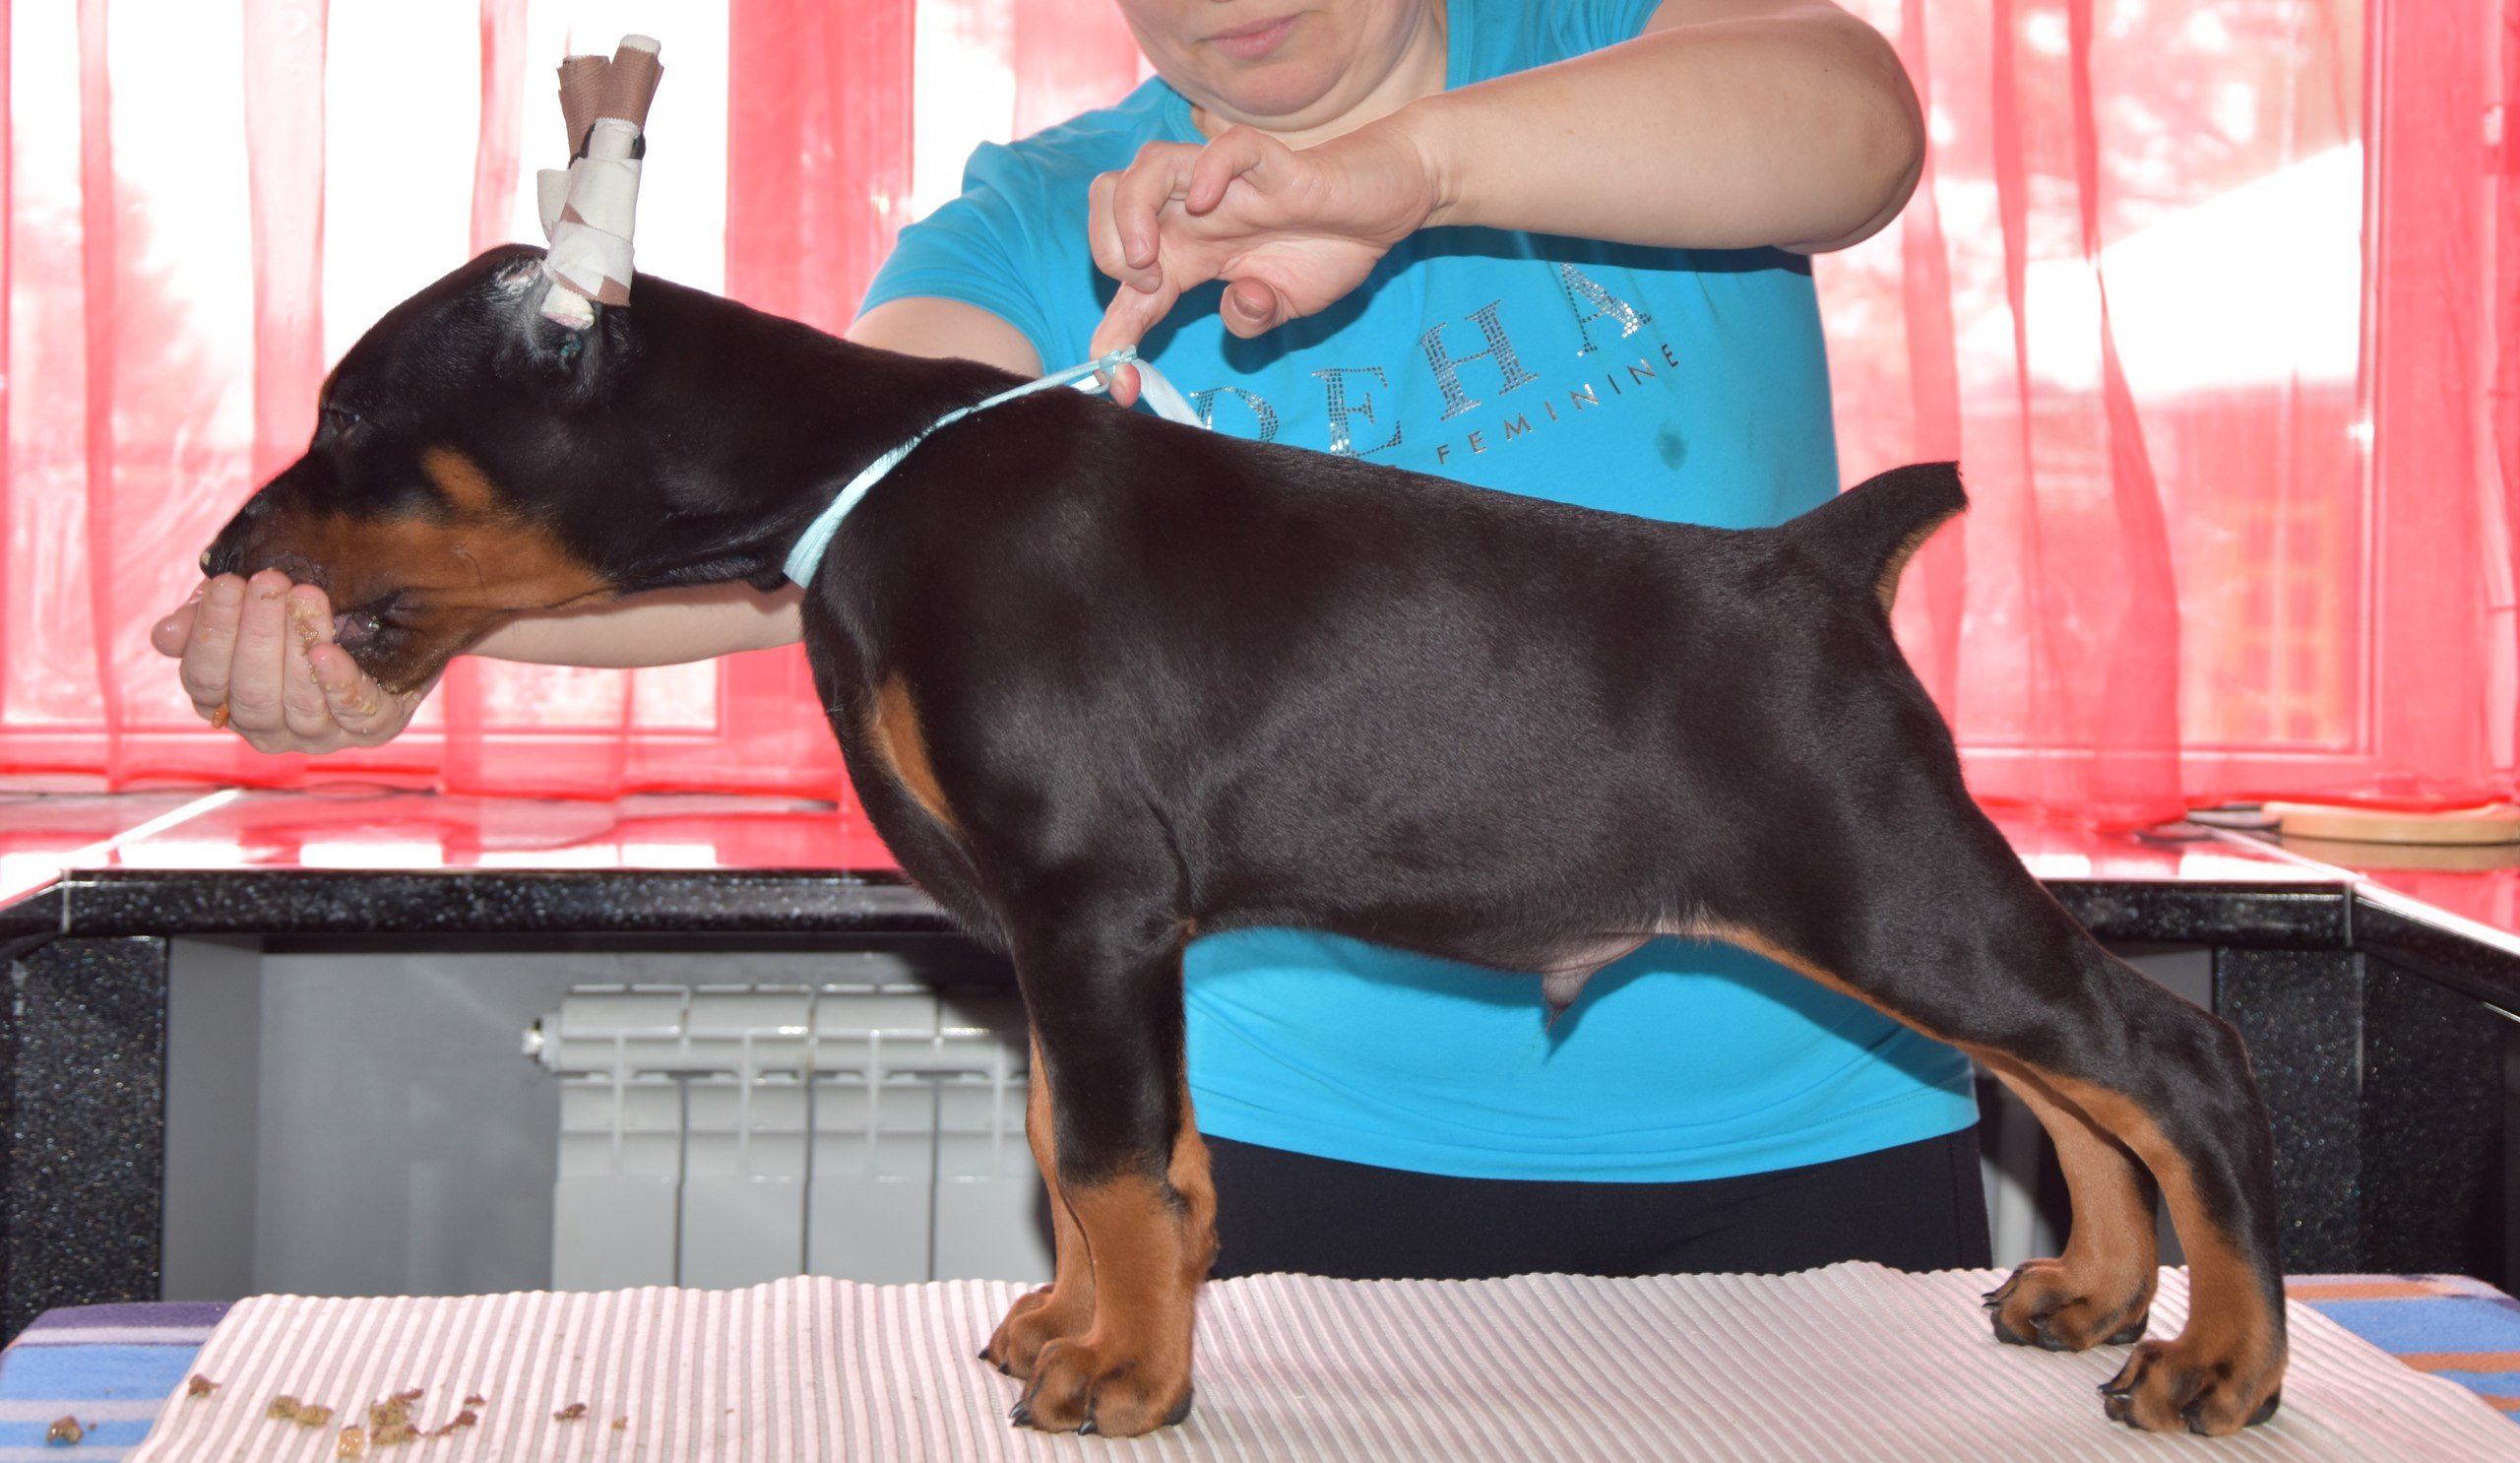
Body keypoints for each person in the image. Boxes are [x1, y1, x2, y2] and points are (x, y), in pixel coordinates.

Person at [156, 0, 1989, 1280]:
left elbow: (1857, 128)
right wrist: (410, 631)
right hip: (1313, 1153)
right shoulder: (1046, 220)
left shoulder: (1606, 37)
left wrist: (1407, 172)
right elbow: (799, 532)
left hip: (1820, 1111)